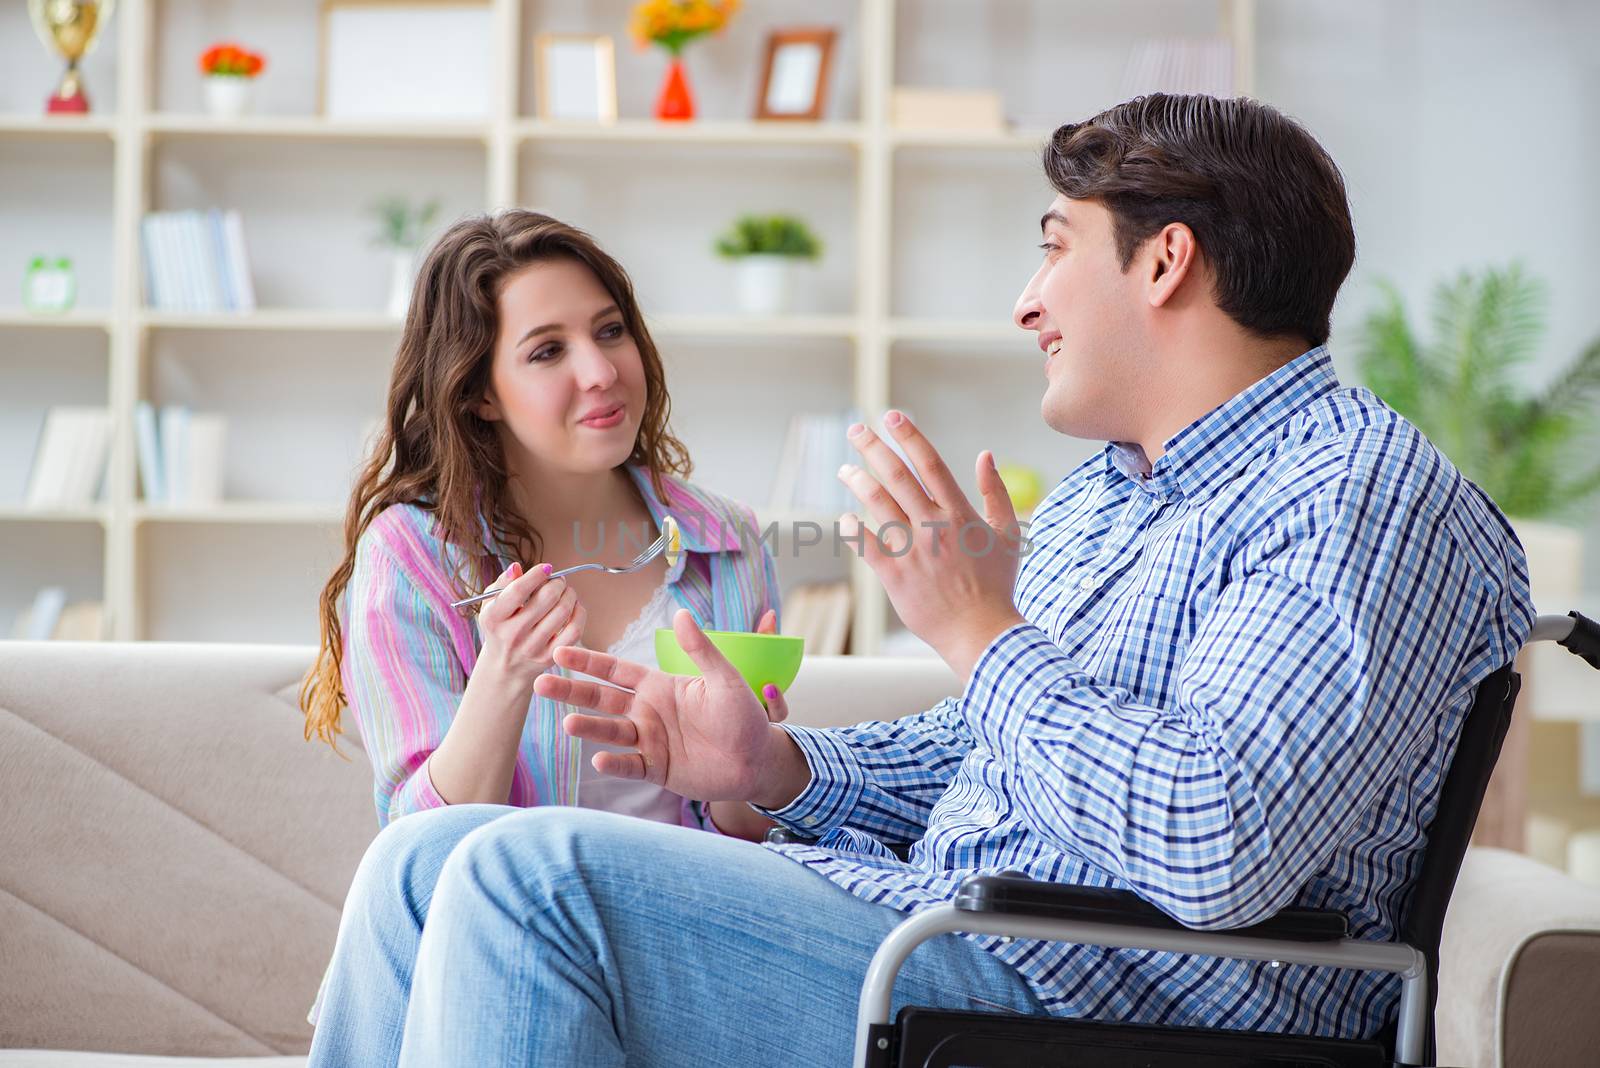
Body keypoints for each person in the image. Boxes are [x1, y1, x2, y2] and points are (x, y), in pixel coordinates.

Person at [307, 95, 1535, 1067]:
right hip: (961, 932)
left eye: (1054, 251)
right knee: (433, 857)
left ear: (1164, 263)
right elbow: (991, 748)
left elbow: (1216, 842)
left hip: (1102, 999)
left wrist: (981, 631)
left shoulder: (1353, 495)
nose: (1025, 302)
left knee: (531, 879)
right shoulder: (1118, 490)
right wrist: (774, 771)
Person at [298, 209, 781, 839]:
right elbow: (419, 848)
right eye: (548, 351)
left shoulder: (726, 540)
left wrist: (753, 769)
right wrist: (504, 672)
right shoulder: (411, 554)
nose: (602, 372)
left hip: (692, 920)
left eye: (610, 331)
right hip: (513, 923)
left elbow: (748, 844)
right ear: (479, 393)